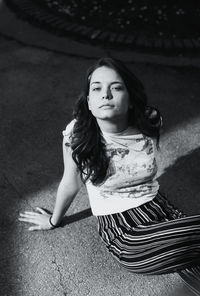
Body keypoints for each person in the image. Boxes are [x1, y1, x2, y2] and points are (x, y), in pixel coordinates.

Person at [19, 57, 200, 295]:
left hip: (163, 213)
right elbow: (69, 182)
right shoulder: (77, 136)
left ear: (131, 99)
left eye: (116, 87)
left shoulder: (151, 121)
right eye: (97, 88)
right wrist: (53, 220)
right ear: (89, 102)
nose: (105, 94)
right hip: (126, 235)